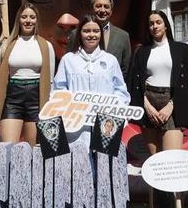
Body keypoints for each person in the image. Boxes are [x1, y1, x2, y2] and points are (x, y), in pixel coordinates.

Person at [127, 10, 188, 208]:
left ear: (165, 25)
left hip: (171, 102)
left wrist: (172, 106)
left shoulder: (181, 49)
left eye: (158, 22)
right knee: (156, 170)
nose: (154, 26)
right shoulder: (142, 51)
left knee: (170, 168)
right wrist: (146, 105)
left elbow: (187, 82)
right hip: (149, 101)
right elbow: (135, 82)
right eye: (150, 23)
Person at [53, 15, 130, 146]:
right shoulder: (68, 60)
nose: (91, 35)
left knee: (104, 163)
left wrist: (113, 110)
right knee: (78, 163)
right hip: (76, 126)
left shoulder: (110, 60)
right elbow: (58, 90)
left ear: (101, 34)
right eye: (86, 31)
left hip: (105, 125)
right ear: (80, 34)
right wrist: (69, 108)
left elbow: (120, 90)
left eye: (96, 31)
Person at [0, 3, 55, 145]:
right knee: (8, 147)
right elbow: (0, 76)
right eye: (24, 17)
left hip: (36, 98)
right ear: (18, 19)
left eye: (32, 17)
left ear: (37, 20)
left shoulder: (46, 45)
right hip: (13, 97)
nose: (28, 20)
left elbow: (50, 80)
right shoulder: (7, 44)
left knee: (35, 149)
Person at [89, 0, 132, 78]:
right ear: (91, 9)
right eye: (98, 6)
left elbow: (125, 69)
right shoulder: (76, 34)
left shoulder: (123, 36)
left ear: (111, 11)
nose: (102, 10)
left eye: (106, 7)